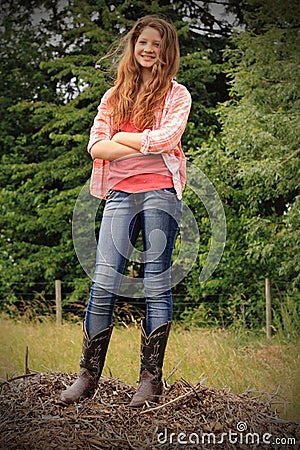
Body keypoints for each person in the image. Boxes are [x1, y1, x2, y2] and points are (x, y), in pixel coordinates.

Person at [60, 15, 191, 407]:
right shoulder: (114, 96)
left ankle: (150, 382)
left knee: (155, 282)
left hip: (160, 193)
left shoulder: (177, 95)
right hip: (119, 192)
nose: (148, 49)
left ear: (167, 52)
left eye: (156, 44)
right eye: (142, 42)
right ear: (133, 47)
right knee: (103, 283)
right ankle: (87, 377)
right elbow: (96, 147)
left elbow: (169, 139)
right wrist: (136, 142)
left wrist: (122, 137)